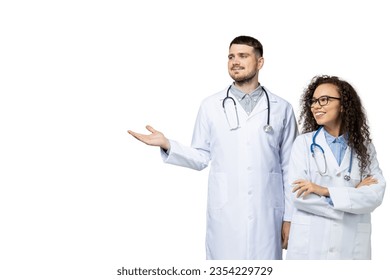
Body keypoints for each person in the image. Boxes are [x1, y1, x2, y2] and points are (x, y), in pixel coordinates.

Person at [128, 35, 298, 260]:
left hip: (267, 218)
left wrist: (290, 217)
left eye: (243, 56)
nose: (235, 61)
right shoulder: (211, 106)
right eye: (231, 56)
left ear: (260, 63)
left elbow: (291, 168)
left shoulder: (281, 108)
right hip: (226, 217)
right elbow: (200, 156)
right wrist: (168, 144)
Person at [286, 75, 386, 260]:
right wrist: (351, 199)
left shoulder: (364, 147)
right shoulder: (304, 144)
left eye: (324, 100)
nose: (316, 106)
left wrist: (323, 191)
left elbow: (375, 194)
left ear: (343, 105)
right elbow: (298, 195)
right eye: (313, 101)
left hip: (350, 246)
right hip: (311, 246)